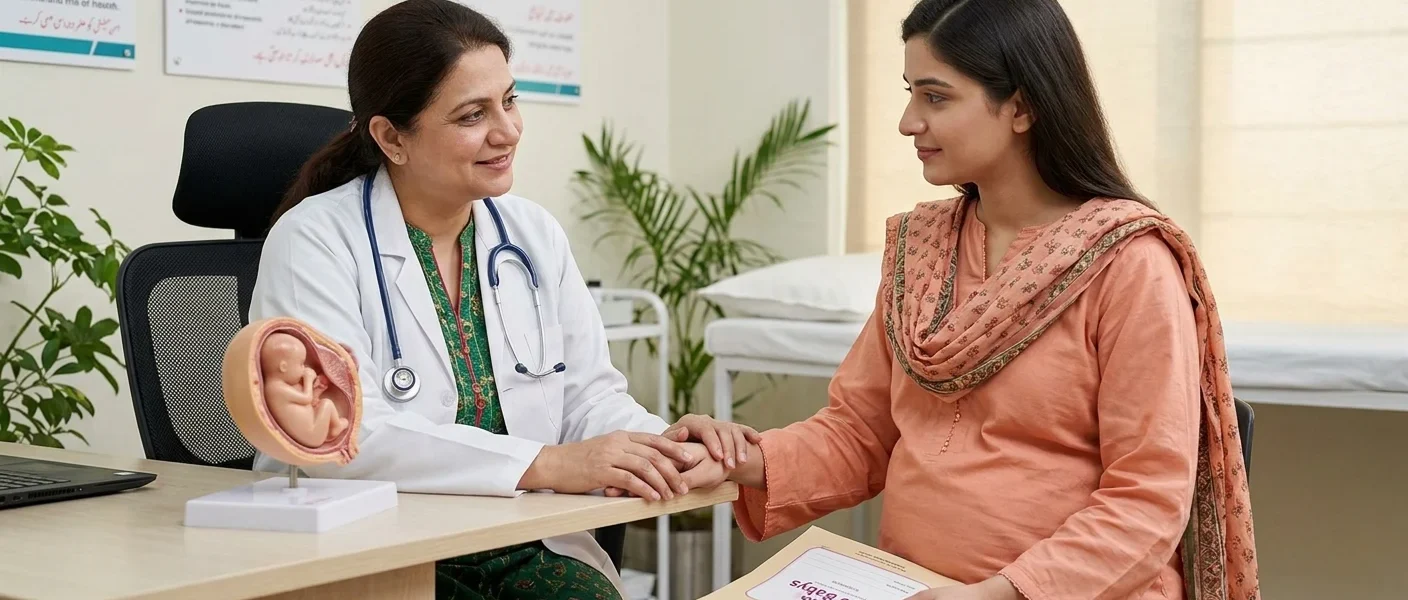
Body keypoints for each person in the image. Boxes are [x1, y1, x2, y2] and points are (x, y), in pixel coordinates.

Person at [684, 1, 1260, 599]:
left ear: (1022, 106)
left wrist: (998, 593)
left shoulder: (1129, 263)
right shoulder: (923, 250)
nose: (909, 122)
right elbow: (859, 434)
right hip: (906, 585)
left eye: (936, 97)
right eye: (911, 93)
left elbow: (1148, 500)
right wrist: (738, 461)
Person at [249, 1, 752, 598]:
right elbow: (343, 435)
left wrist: (664, 446)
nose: (507, 131)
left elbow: (588, 399)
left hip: (523, 540)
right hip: (378, 546)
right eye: (471, 115)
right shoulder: (314, 240)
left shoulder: (531, 235)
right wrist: (548, 464)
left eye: (509, 101)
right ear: (391, 137)